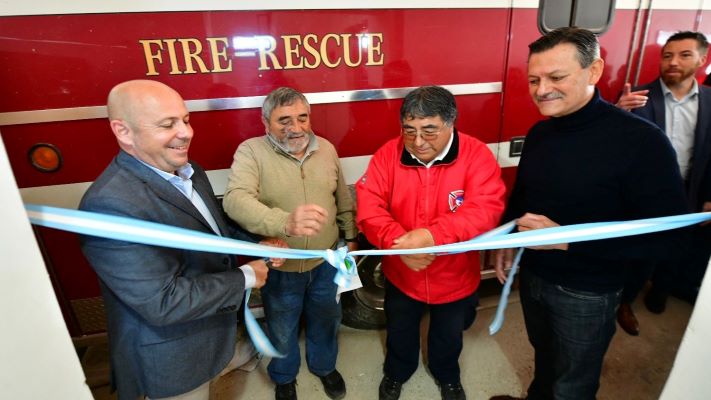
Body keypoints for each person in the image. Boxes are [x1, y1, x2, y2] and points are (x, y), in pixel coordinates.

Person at [489, 28, 688, 400]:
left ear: (594, 71)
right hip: (534, 278)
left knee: (573, 385)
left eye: (556, 77)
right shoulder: (540, 133)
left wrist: (570, 242)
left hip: (587, 293)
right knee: (546, 361)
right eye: (534, 79)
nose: (541, 89)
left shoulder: (642, 143)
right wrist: (507, 237)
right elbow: (526, 197)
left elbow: (668, 239)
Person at [79, 80, 277, 400]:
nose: (186, 132)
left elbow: (212, 227)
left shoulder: (189, 170)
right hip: (173, 359)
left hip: (210, 336)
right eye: (167, 124)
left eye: (185, 119)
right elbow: (163, 302)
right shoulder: (110, 207)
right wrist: (246, 276)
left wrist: (256, 243)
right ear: (123, 131)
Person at [356, 86, 506, 400]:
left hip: (454, 273)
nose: (418, 141)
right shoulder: (388, 154)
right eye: (409, 130)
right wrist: (402, 246)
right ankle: (397, 373)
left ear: (451, 123)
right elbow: (369, 208)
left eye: (429, 130)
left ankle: (447, 375)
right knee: (399, 328)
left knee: (449, 335)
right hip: (403, 271)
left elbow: (486, 209)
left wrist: (433, 237)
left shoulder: (476, 155)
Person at [223, 87, 357, 400]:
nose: (295, 128)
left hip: (329, 260)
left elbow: (342, 200)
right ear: (265, 122)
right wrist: (283, 223)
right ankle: (284, 376)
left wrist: (349, 239)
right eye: (284, 120)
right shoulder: (251, 151)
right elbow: (235, 200)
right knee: (282, 326)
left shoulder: (326, 148)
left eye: (302, 118)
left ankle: (324, 367)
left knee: (328, 318)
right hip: (282, 268)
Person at [616, 31, 711, 316]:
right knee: (641, 253)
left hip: (690, 192)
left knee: (678, 250)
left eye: (684, 55)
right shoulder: (638, 99)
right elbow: (612, 150)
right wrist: (617, 112)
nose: (673, 62)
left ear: (702, 60)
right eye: (667, 55)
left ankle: (660, 294)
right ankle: (625, 303)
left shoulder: (710, 101)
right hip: (646, 196)